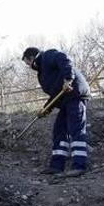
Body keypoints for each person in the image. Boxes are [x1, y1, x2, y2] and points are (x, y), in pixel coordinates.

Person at [21, 47, 91, 177]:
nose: (29, 66)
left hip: (75, 94)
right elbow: (55, 94)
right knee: (59, 130)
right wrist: (46, 109)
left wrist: (68, 79)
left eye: (28, 63)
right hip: (65, 100)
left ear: (32, 58)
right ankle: (57, 166)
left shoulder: (48, 55)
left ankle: (79, 165)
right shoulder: (42, 74)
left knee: (76, 129)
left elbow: (65, 60)